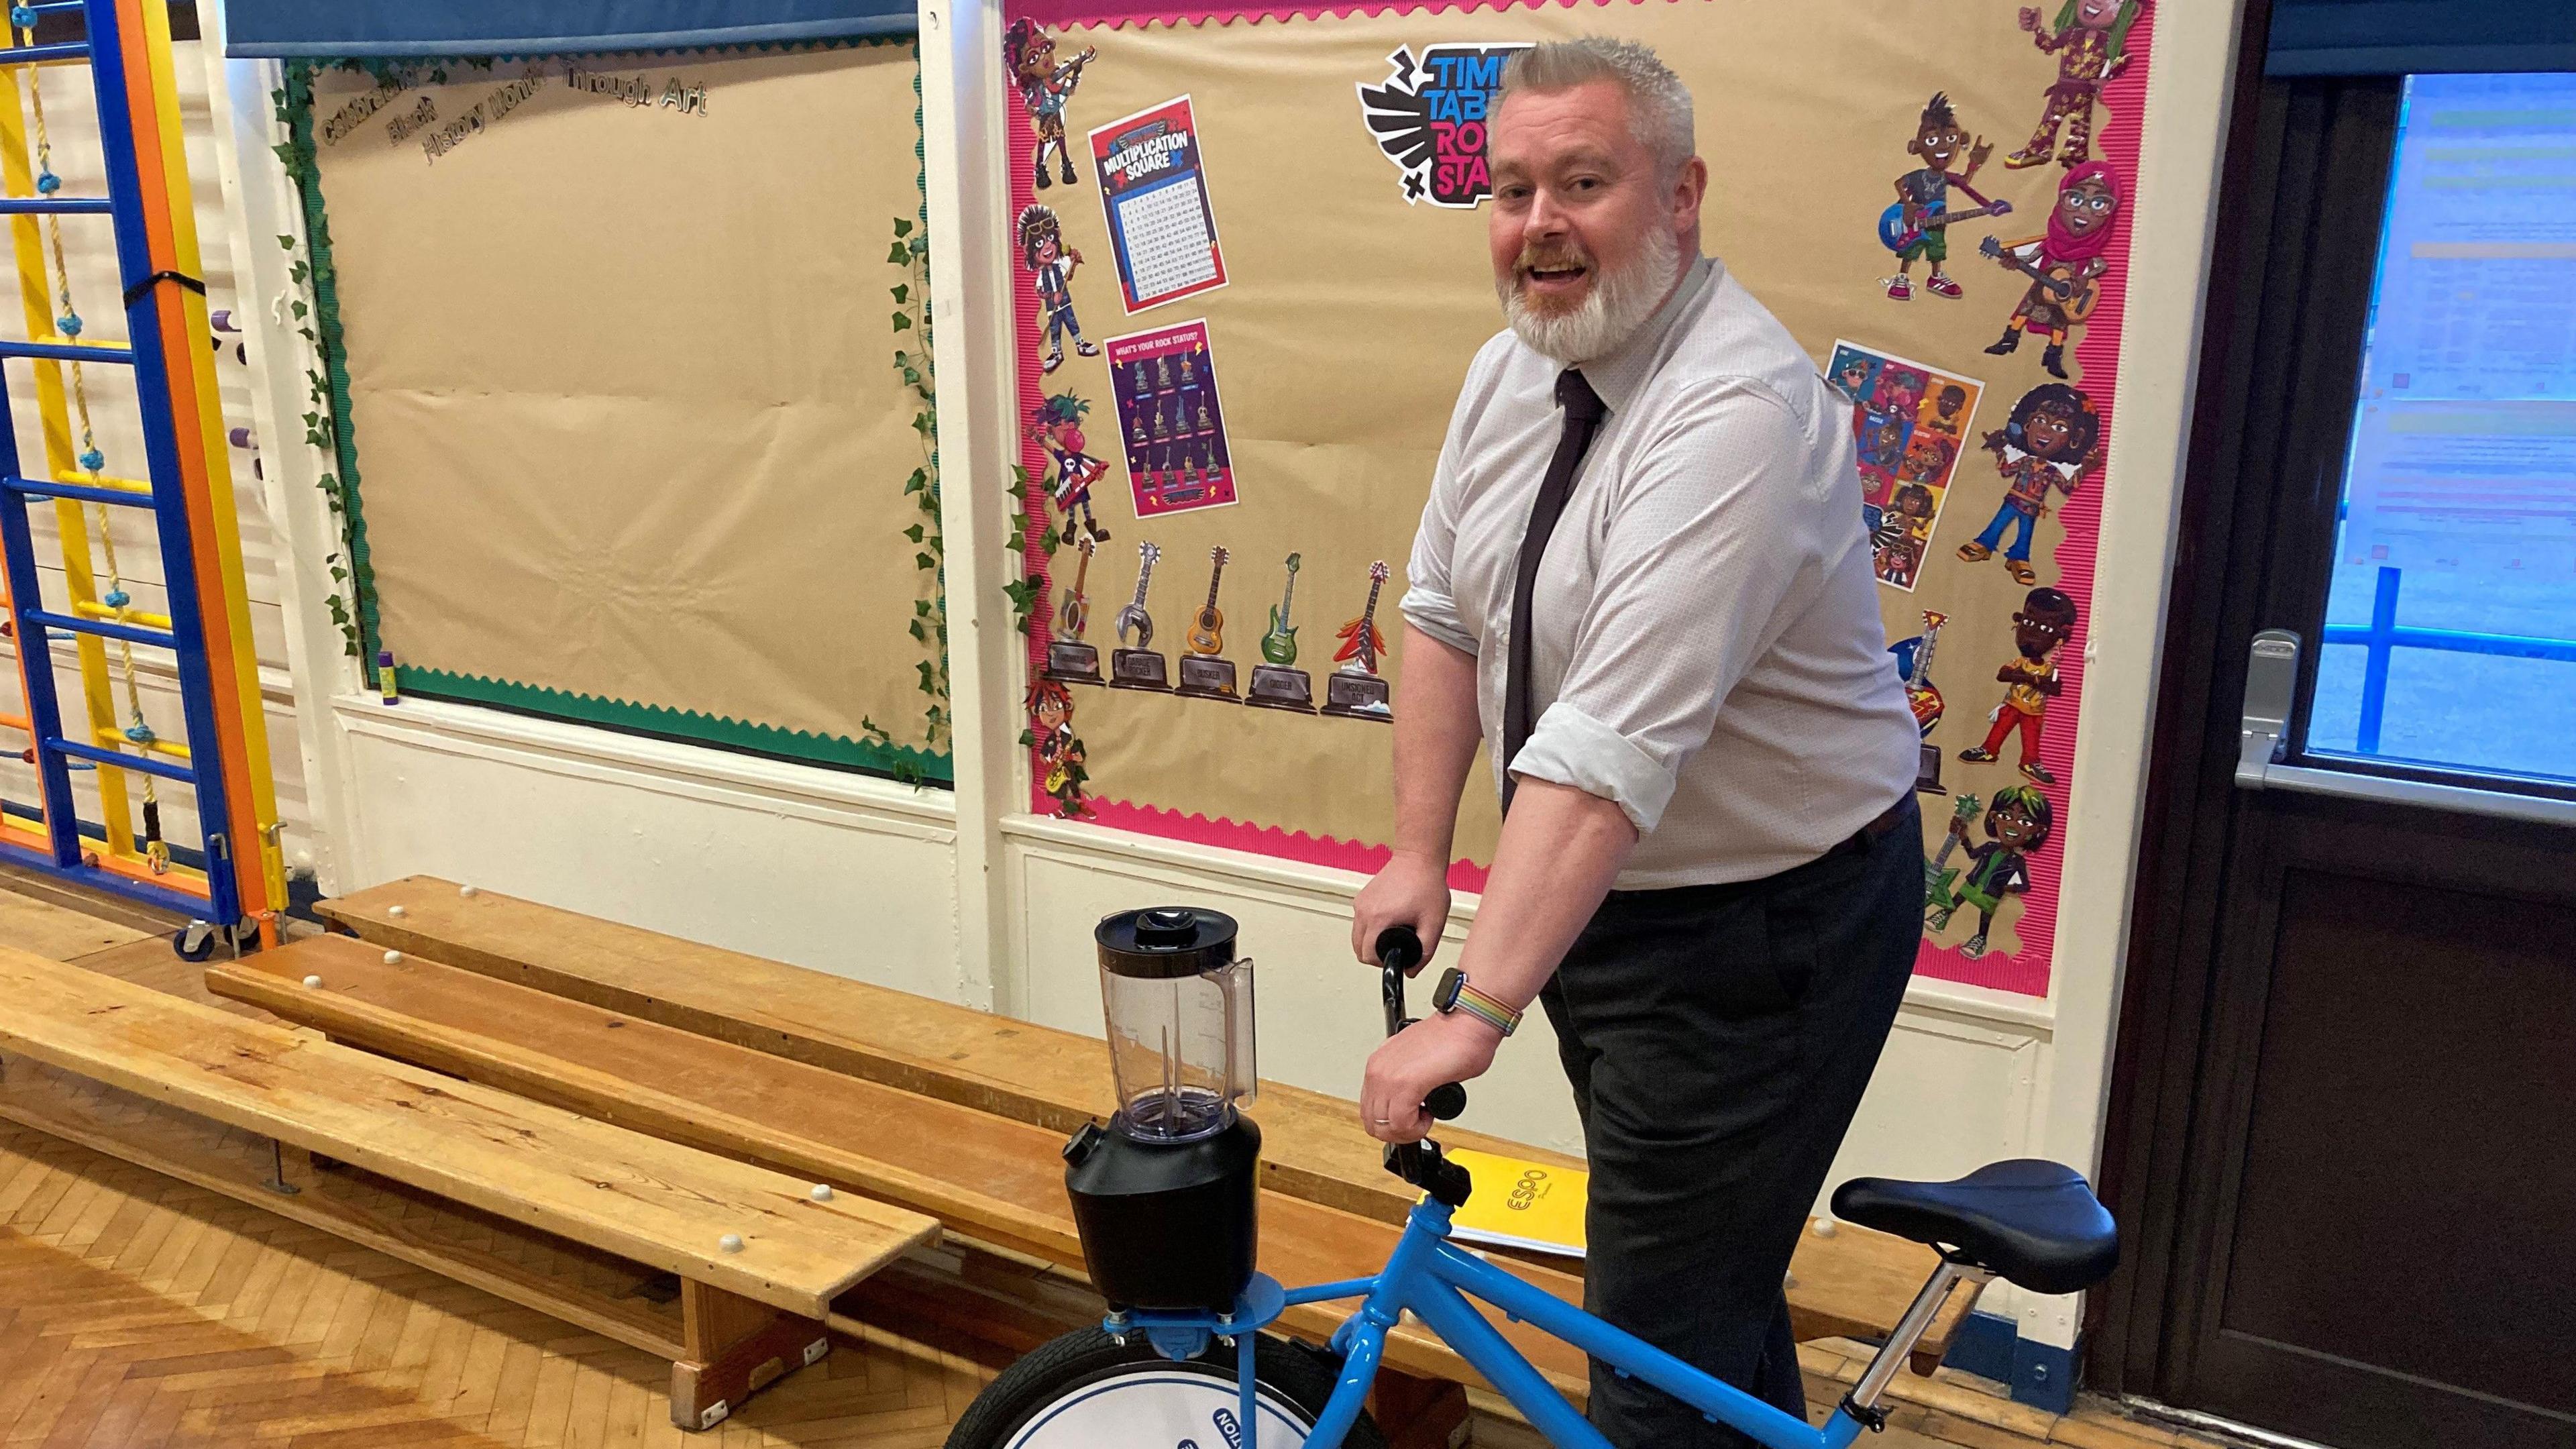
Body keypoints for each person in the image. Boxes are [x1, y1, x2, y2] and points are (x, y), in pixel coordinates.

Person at [1350, 38, 1925, 1449]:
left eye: (1586, 182)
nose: (1540, 224)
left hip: (1763, 932)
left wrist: (1472, 1013)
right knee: (1699, 1306)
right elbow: (1441, 615)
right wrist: (1420, 850)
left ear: (1681, 196)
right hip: (1611, 913)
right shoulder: (1512, 372)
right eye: (1513, 188)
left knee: (1655, 1355)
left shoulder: (1736, 412)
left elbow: (1608, 749)